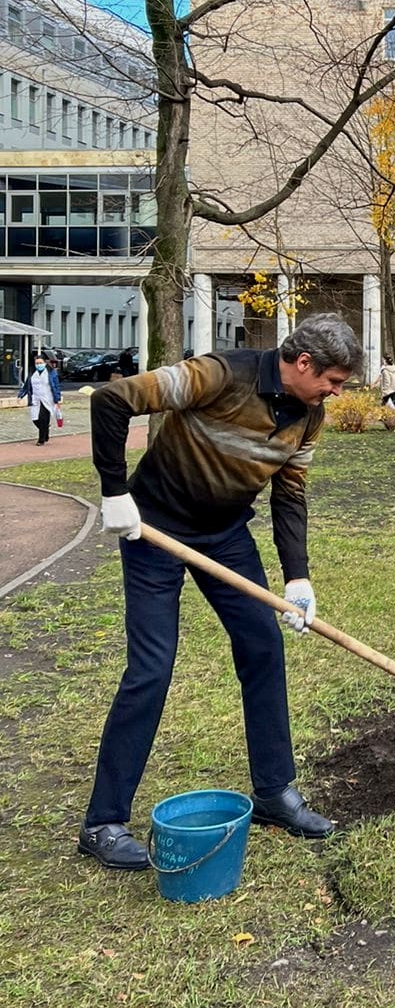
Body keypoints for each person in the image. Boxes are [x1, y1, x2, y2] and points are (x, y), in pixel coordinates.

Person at [77, 313, 362, 872]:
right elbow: (112, 400)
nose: (335, 393)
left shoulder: (309, 416)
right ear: (304, 363)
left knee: (262, 645)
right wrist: (115, 493)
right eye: (333, 381)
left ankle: (275, 794)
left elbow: (290, 496)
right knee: (152, 667)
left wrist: (297, 577)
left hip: (225, 536)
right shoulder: (218, 375)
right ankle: (103, 823)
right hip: (153, 528)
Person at [18, 351, 61, 446]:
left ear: (45, 363)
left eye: (40, 363)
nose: (38, 365)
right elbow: (26, 386)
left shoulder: (51, 372)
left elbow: (56, 386)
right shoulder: (32, 373)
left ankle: (41, 440)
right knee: (35, 419)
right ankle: (45, 430)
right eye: (37, 363)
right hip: (36, 398)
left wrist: (57, 399)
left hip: (47, 398)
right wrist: (20, 395)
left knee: (43, 417)